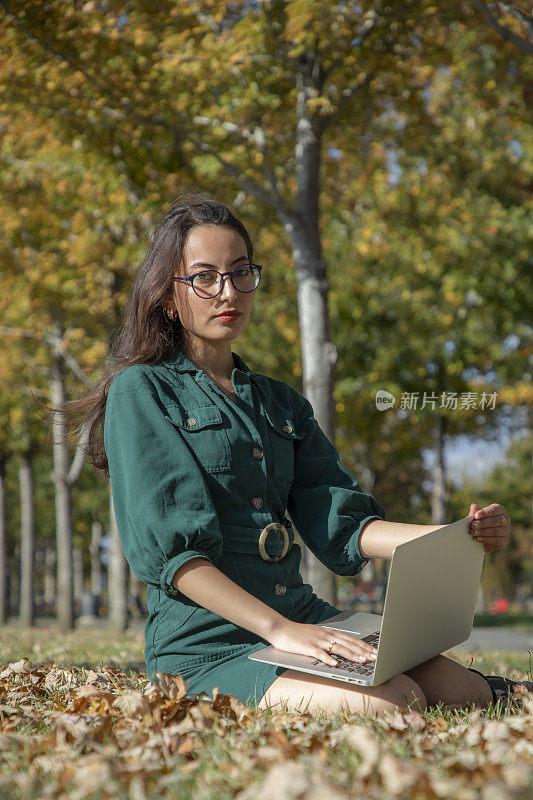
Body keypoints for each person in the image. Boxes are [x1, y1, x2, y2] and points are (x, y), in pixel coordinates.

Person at [64, 188, 530, 718]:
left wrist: (456, 536)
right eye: (205, 277)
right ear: (169, 295)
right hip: (209, 645)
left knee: (462, 689)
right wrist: (283, 632)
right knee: (396, 701)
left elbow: (342, 524)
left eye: (241, 272)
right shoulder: (141, 390)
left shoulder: (280, 402)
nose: (227, 292)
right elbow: (175, 558)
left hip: (302, 617)